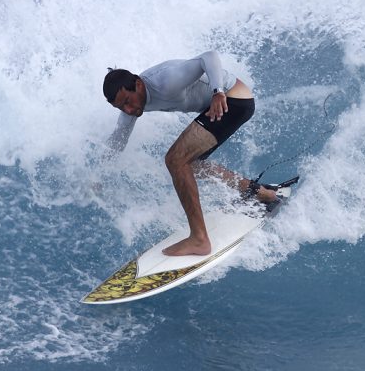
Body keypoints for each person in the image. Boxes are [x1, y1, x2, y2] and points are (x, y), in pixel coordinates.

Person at [102, 50, 277, 256]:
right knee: (190, 165)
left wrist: (217, 92)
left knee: (176, 160)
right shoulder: (132, 104)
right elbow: (118, 139)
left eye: (127, 101)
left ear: (138, 85)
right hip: (222, 105)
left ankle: (199, 240)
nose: (128, 110)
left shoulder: (165, 81)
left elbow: (209, 57)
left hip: (232, 99)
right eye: (121, 107)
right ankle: (262, 194)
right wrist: (99, 174)